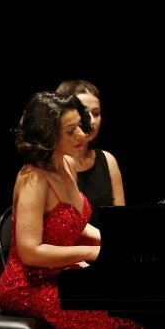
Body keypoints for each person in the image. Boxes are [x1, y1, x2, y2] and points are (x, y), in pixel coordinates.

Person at [0, 91, 163, 329]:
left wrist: (119, 243)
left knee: (135, 319)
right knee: (105, 321)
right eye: (71, 130)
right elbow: (29, 250)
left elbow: (78, 224)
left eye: (81, 128)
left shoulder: (67, 166)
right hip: (29, 284)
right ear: (48, 134)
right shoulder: (33, 180)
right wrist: (93, 252)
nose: (81, 136)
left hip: (60, 275)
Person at [55, 79, 124, 226]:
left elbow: (121, 221)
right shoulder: (51, 163)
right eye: (84, 113)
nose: (91, 121)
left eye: (96, 113)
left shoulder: (108, 160)